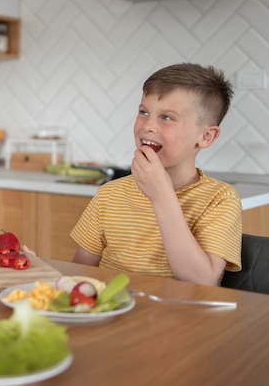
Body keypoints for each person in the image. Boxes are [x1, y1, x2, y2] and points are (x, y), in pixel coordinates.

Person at [70, 63, 242, 286]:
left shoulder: (221, 199)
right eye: (143, 112)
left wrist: (161, 196)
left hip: (185, 319)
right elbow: (80, 274)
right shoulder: (108, 195)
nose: (148, 125)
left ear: (206, 136)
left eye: (167, 117)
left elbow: (202, 281)